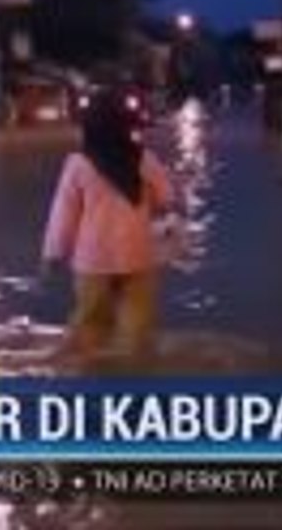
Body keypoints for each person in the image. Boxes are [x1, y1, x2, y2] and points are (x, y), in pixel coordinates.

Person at [41, 89, 176, 368]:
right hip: (137, 254)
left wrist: (53, 254)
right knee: (136, 328)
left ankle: (91, 386)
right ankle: (131, 385)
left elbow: (64, 214)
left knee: (90, 325)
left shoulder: (77, 164)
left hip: (93, 259)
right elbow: (167, 199)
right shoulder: (144, 159)